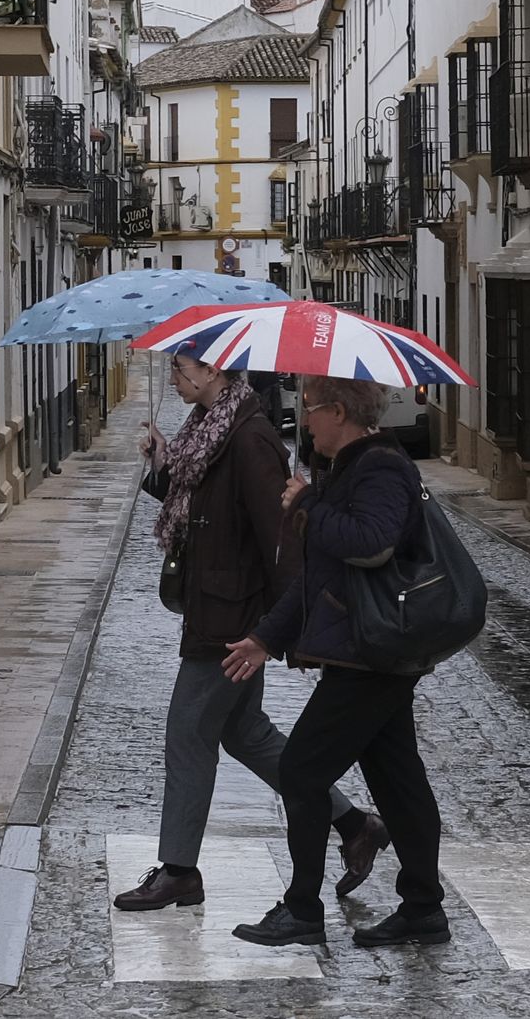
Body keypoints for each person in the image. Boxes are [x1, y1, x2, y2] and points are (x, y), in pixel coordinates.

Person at [113, 351, 390, 912]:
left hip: (231, 621)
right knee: (245, 734)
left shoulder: (250, 437)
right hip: (214, 607)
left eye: (181, 367)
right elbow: (207, 508)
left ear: (213, 371)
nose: (173, 377)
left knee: (188, 733)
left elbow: (283, 539)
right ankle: (355, 824)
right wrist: (163, 466)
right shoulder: (208, 431)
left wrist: (271, 633)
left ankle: (179, 869)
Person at [222, 376, 449, 950]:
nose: (305, 420)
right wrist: (264, 640)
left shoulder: (381, 468)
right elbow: (320, 581)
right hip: (366, 651)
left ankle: (302, 909)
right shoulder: (348, 469)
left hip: (372, 656)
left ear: (340, 411)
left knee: (301, 771)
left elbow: (371, 544)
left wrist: (307, 505)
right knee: (399, 781)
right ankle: (423, 909)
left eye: (311, 409)